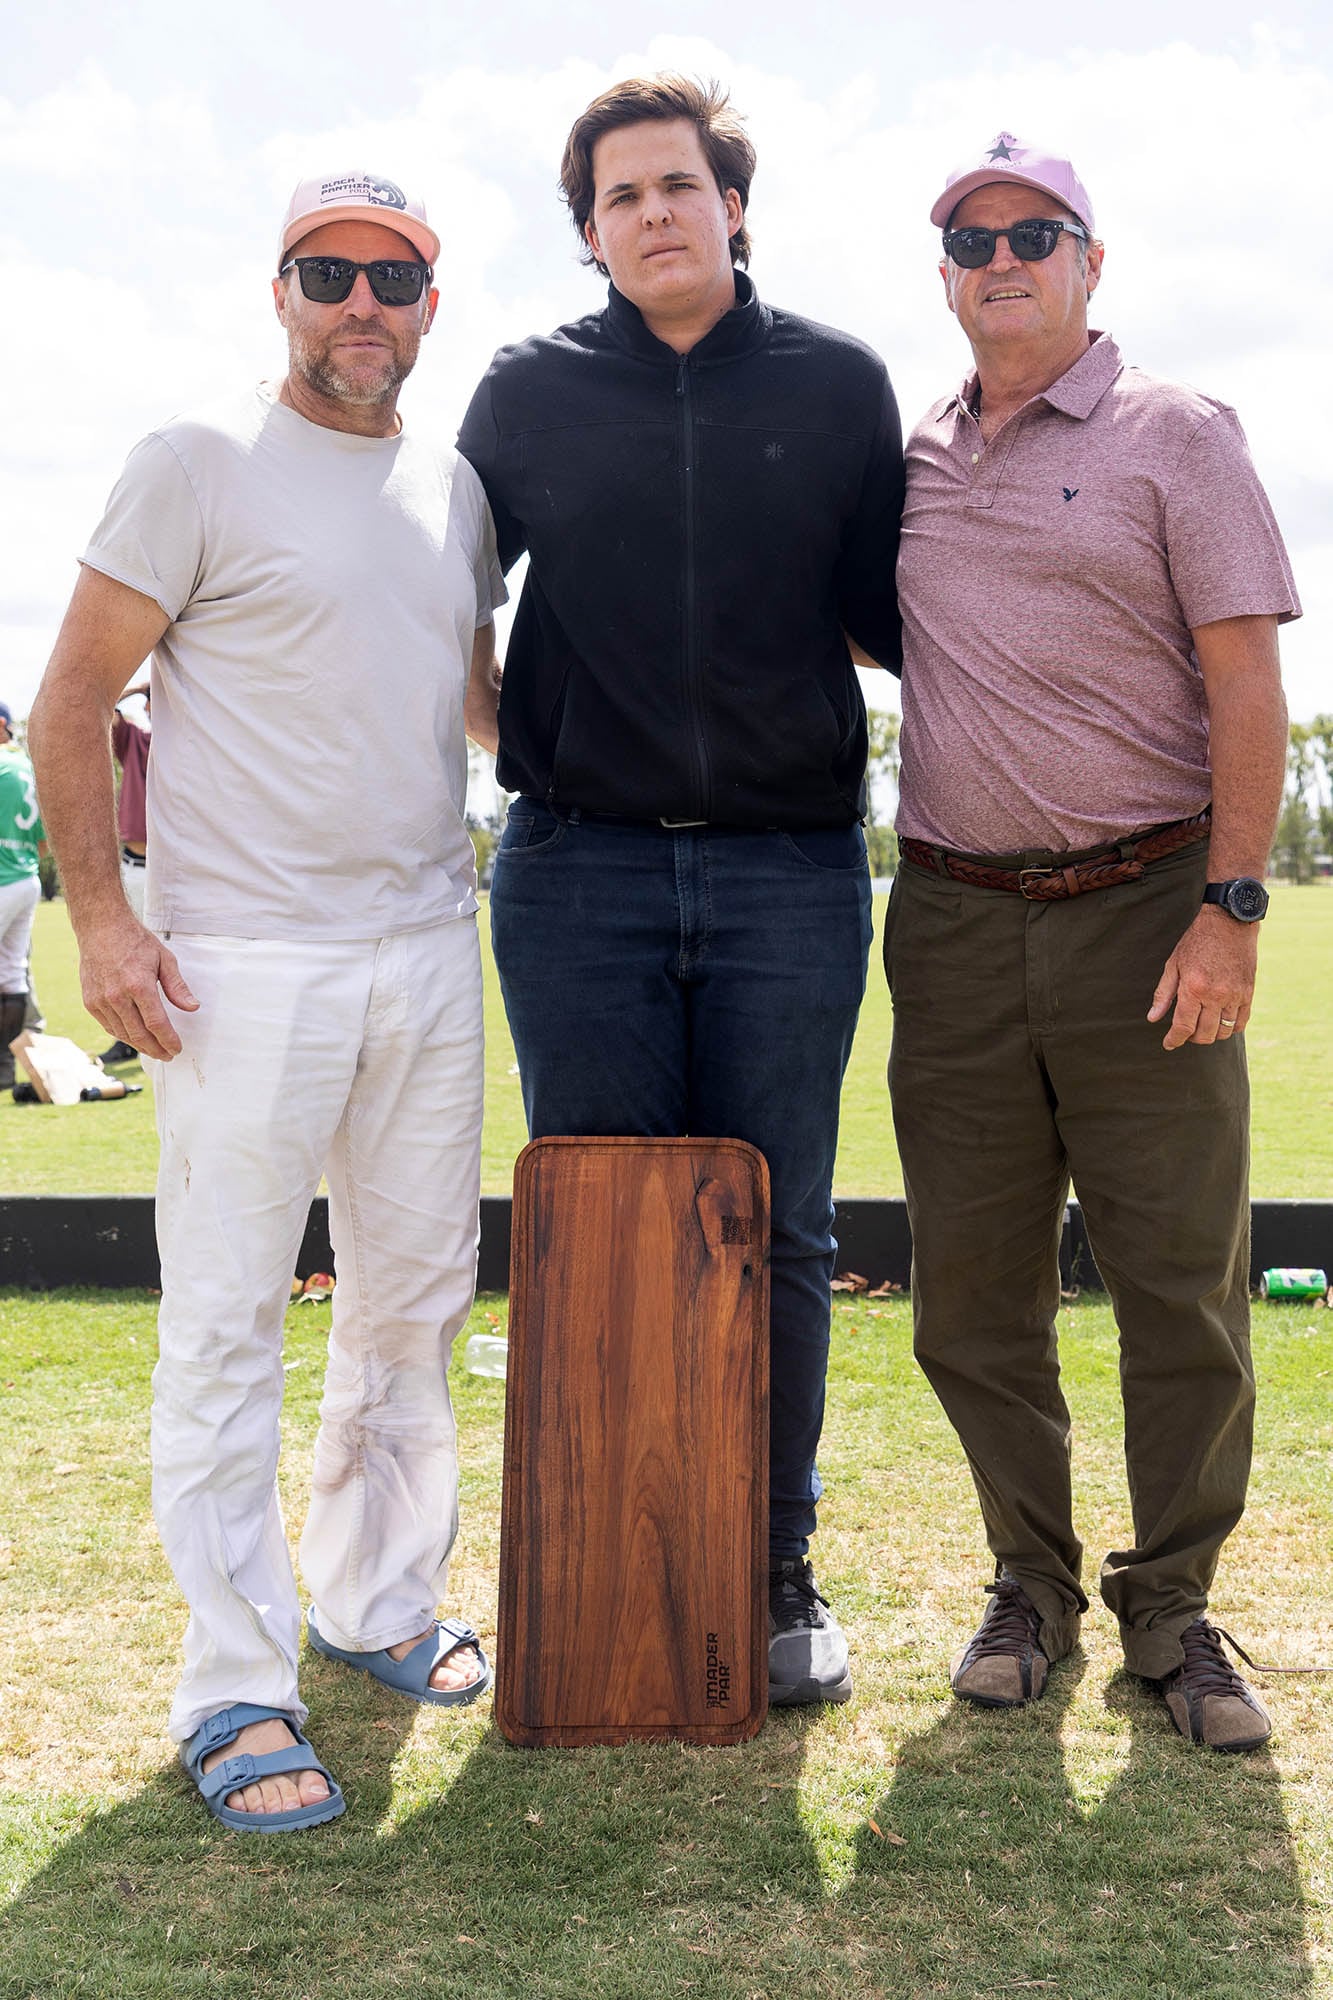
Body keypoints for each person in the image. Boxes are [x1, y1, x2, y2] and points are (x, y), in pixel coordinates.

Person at [29, 169, 506, 1830]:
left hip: (430, 948)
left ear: (432, 302)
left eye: (393, 276)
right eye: (328, 272)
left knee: (411, 1311)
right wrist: (103, 922)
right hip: (243, 961)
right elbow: (72, 698)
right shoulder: (194, 463)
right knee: (229, 1322)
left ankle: (374, 1608)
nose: (360, 303)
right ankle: (232, 1687)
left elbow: (472, 709)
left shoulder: (456, 488)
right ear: (282, 290)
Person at [458, 74, 904, 1708]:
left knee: (778, 1227)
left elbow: (889, 617)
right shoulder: (518, 395)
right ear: (589, 233)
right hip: (574, 876)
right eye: (619, 195)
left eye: (678, 184)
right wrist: (527, 739)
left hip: (792, 874)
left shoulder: (842, 386)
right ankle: (600, 1567)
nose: (652, 211)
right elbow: (445, 600)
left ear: (733, 205)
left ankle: (767, 1565)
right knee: (600, 1233)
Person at [888, 133, 1300, 1750]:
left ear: (1088, 262)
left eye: (1034, 232)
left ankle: (1173, 1609)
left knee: (1176, 1288)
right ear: (944, 275)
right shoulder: (912, 456)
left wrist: (1230, 903)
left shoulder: (1172, 435)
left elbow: (1243, 681)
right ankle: (1028, 1586)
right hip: (948, 920)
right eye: (971, 238)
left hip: (1148, 910)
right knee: (968, 1299)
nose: (1001, 256)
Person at [98, 682, 151, 1064]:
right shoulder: (134, 740)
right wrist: (142, 687)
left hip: (178, 870)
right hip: (134, 866)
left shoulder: (197, 742)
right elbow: (103, 704)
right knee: (126, 957)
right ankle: (129, 1038)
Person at [0, 701, 46, 1092]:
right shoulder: (27, 766)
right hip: (26, 878)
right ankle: (3, 1071)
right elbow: (44, 843)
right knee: (11, 973)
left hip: (0, 879)